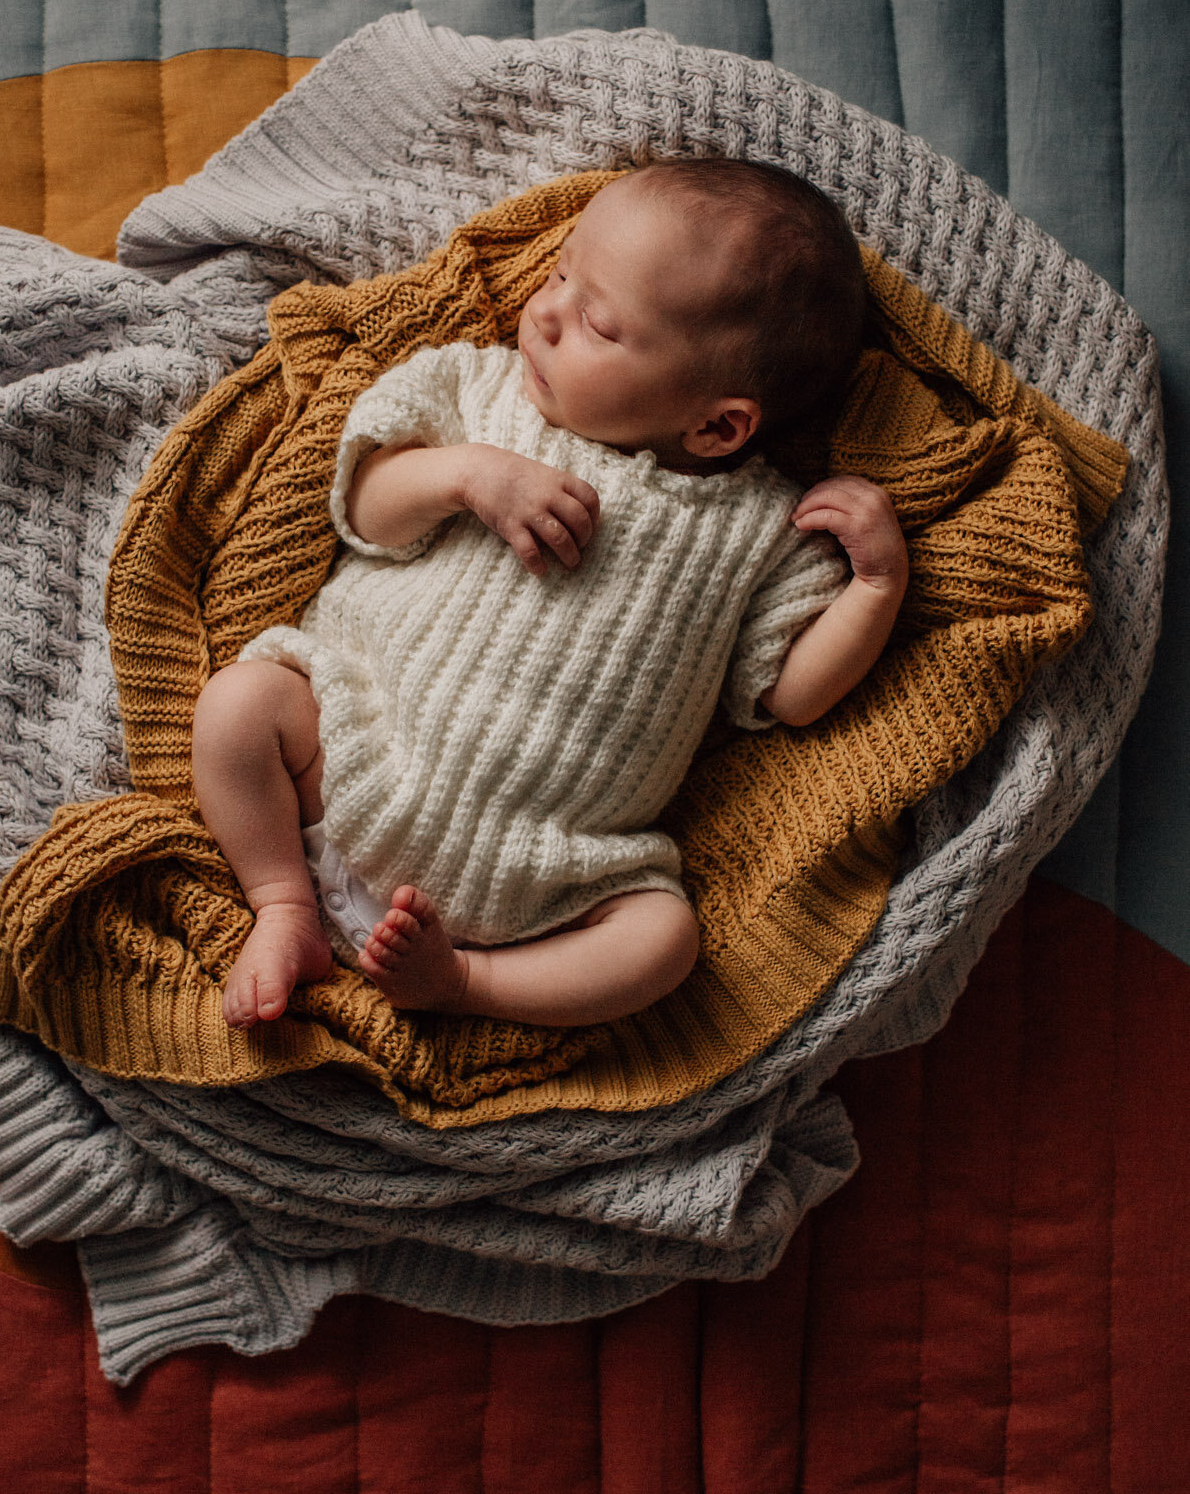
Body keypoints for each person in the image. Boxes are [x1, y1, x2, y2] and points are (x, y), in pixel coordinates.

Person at [191, 160, 908, 1031]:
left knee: (664, 941)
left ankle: (463, 984)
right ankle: (284, 908)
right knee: (241, 702)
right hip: (345, 756)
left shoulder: (759, 533)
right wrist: (466, 477)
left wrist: (874, 585)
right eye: (561, 272)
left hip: (549, 868)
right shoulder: (478, 393)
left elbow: (790, 695)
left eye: (596, 323)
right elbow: (367, 512)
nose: (547, 311)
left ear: (717, 425)